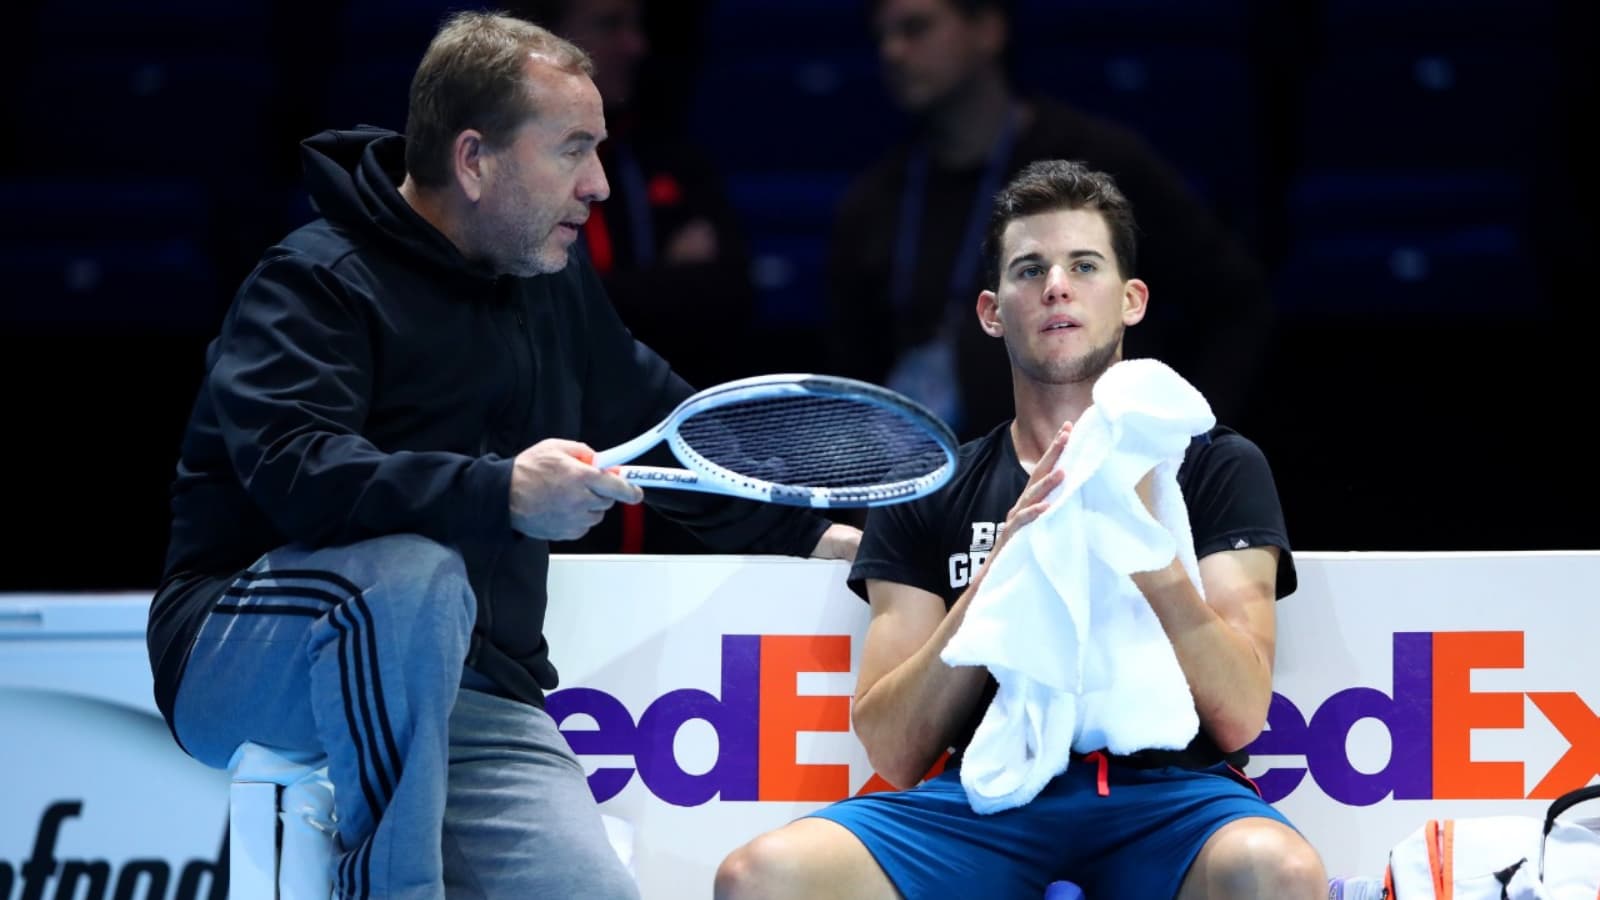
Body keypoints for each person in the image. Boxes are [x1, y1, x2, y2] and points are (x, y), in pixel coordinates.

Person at [144, 13, 857, 898]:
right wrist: (502, 494)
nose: (598, 184)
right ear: (474, 160)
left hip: (474, 693)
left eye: (600, 151)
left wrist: (814, 540)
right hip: (246, 654)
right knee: (416, 576)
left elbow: (667, 427)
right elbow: (296, 473)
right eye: (572, 150)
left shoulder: (553, 290)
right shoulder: (315, 280)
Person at [716, 160, 1326, 899]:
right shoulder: (932, 489)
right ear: (991, 311)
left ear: (1132, 300)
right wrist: (1007, 566)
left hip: (1168, 798)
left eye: (1084, 265)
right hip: (985, 801)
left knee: (1279, 869)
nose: (1057, 286)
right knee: (761, 877)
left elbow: (1241, 714)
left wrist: (1140, 538)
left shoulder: (1212, 466)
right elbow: (894, 745)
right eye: (1030, 269)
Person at [825, 0, 1274, 443]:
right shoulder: (874, 202)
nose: (893, 52)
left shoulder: (1101, 162)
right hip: (938, 486)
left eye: (915, 28)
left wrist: (1190, 440)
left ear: (987, 28)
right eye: (882, 36)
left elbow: (1233, 300)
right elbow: (851, 371)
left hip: (1096, 473)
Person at [515, 0, 768, 554]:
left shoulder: (671, 158)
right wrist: (657, 283)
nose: (636, 45)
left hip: (662, 502)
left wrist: (812, 535)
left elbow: (723, 298)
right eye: (608, 24)